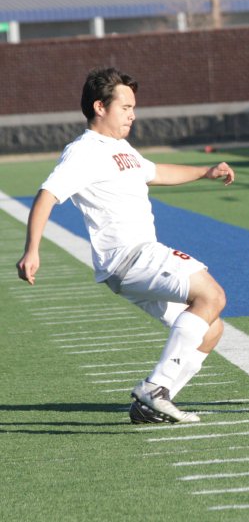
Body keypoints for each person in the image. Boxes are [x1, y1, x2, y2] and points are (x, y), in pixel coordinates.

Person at [16, 67, 235, 424]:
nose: (133, 114)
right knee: (212, 295)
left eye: (134, 107)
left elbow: (157, 172)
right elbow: (47, 195)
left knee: (211, 328)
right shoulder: (83, 151)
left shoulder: (121, 148)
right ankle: (156, 387)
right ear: (100, 107)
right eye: (126, 107)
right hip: (131, 256)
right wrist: (32, 249)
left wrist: (204, 172)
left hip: (133, 262)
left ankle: (150, 406)